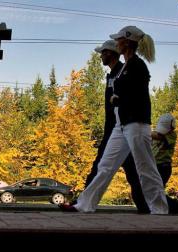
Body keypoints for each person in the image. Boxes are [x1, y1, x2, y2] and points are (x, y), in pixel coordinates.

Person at [61, 26, 168, 214]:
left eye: (118, 39)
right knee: (105, 166)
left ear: (126, 42)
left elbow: (139, 94)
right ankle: (85, 204)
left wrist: (119, 98)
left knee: (145, 167)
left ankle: (159, 208)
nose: (116, 41)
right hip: (121, 124)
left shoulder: (137, 65)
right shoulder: (125, 66)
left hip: (136, 123)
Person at [72, 40, 149, 213]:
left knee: (132, 171)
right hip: (114, 128)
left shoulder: (124, 70)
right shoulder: (112, 74)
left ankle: (149, 205)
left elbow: (133, 95)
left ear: (110, 53)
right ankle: (83, 203)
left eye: (102, 53)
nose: (100, 56)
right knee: (110, 167)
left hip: (124, 127)